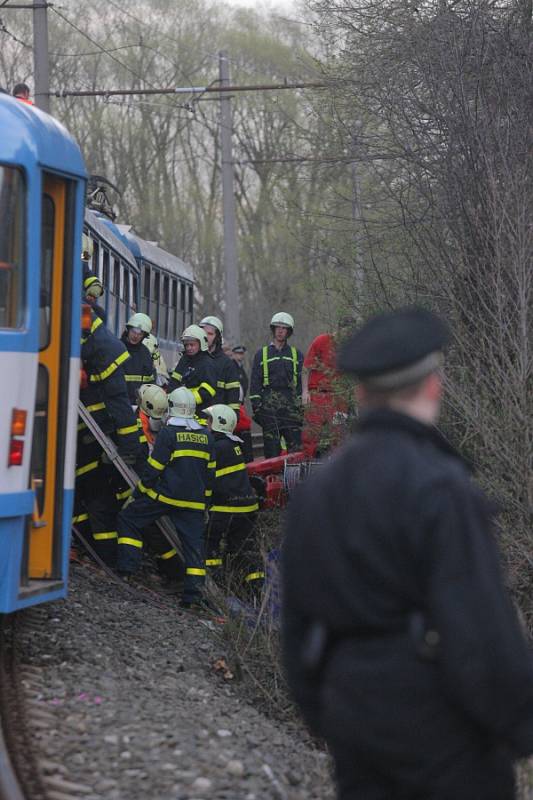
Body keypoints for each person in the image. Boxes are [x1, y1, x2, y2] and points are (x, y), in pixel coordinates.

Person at [282, 307, 533, 800]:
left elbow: (295, 625)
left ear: (359, 393)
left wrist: (330, 712)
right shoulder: (442, 487)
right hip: (444, 729)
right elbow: (479, 629)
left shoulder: (318, 490)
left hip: (352, 719)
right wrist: (519, 726)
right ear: (433, 385)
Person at [116, 387, 216, 608]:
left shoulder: (169, 434)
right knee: (194, 550)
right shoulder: (206, 437)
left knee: (128, 519)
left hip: (166, 496)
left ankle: (126, 569)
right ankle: (193, 598)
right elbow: (210, 476)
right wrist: (205, 505)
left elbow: (154, 469)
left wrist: (138, 493)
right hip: (194, 503)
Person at [204, 404, 262, 599]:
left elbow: (206, 477)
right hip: (247, 507)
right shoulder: (234, 444)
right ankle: (255, 591)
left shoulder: (216, 447)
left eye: (209, 420)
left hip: (225, 508)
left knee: (209, 543)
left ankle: (218, 588)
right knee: (244, 549)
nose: (206, 423)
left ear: (219, 424)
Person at [249, 312, 304, 458]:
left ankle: (295, 480)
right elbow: (255, 382)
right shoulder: (261, 354)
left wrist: (300, 407)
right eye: (277, 327)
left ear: (289, 331)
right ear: (273, 330)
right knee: (272, 451)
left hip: (291, 406)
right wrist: (258, 406)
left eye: (284, 328)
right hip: (269, 406)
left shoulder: (296, 354)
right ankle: (272, 479)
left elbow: (300, 383)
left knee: (295, 450)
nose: (280, 331)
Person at [301, 321, 352, 458]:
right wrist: (305, 391)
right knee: (310, 434)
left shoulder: (350, 348)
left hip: (340, 398)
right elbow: (306, 368)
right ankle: (308, 464)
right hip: (318, 394)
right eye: (345, 333)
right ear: (338, 330)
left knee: (338, 433)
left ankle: (337, 467)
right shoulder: (322, 340)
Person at [167, 325, 217, 423]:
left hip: (200, 416)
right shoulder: (184, 360)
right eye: (186, 345)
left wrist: (188, 401)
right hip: (179, 413)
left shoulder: (207, 363)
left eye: (192, 345)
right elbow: (174, 382)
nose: (189, 348)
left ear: (201, 344)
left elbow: (209, 390)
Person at [199, 315, 241, 419]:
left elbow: (233, 398)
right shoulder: (191, 359)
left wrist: (231, 419)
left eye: (210, 334)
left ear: (217, 337)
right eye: (203, 333)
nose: (206, 337)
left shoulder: (227, 364)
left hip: (216, 422)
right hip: (194, 420)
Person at [120, 312, 157, 405]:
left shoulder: (145, 353)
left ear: (144, 336)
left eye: (140, 334)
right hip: (119, 402)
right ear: (128, 330)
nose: (136, 336)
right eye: (134, 331)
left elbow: (151, 382)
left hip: (138, 405)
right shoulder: (117, 348)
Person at [231, 345, 253, 462]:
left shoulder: (241, 368)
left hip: (240, 402)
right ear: (234, 354)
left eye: (241, 354)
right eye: (238, 354)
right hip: (235, 403)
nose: (240, 356)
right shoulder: (233, 368)